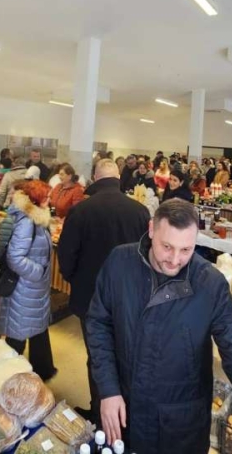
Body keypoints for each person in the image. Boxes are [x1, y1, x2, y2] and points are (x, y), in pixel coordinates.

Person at [86, 200, 232, 454]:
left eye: (186, 249)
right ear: (152, 229)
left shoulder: (210, 284)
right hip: (124, 412)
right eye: (167, 247)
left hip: (180, 427)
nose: (174, 260)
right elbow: (99, 323)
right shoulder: (119, 262)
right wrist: (108, 390)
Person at [57, 159, 151, 424]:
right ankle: (124, 413)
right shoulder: (140, 211)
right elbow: (148, 254)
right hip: (129, 297)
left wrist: (74, 279)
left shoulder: (81, 210)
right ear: (118, 178)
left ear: (95, 179)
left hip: (90, 297)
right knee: (125, 352)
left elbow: (66, 253)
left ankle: (99, 411)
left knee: (98, 355)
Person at [0, 180, 57, 380]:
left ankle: (20, 374)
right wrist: (38, 272)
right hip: (26, 286)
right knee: (18, 333)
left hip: (33, 287)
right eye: (47, 196)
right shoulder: (27, 222)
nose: (50, 199)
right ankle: (7, 379)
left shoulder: (36, 218)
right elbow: (15, 258)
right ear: (37, 198)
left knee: (26, 329)